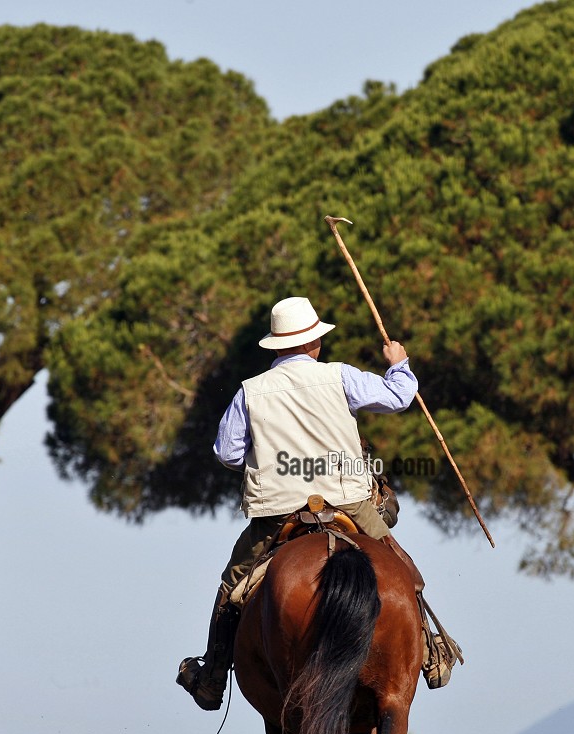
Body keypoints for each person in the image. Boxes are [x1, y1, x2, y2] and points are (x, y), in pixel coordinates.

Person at [176, 295, 423, 710]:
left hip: (279, 511)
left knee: (232, 586)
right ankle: (434, 651)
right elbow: (398, 398)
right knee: (406, 575)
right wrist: (399, 363)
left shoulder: (250, 392)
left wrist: (266, 460)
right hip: (349, 502)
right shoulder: (340, 377)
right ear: (315, 343)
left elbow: (227, 453)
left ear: (276, 345)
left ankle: (212, 676)